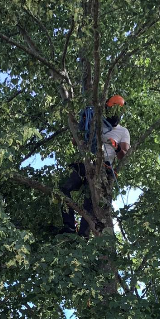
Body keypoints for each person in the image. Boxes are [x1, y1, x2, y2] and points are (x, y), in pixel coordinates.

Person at [59, 95, 130, 236]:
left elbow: (124, 156)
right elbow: (75, 141)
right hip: (86, 162)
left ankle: (82, 237)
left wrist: (116, 148)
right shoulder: (96, 123)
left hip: (103, 167)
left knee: (90, 202)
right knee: (64, 188)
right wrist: (83, 125)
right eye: (112, 110)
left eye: (117, 112)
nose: (114, 115)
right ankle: (69, 225)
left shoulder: (123, 131)